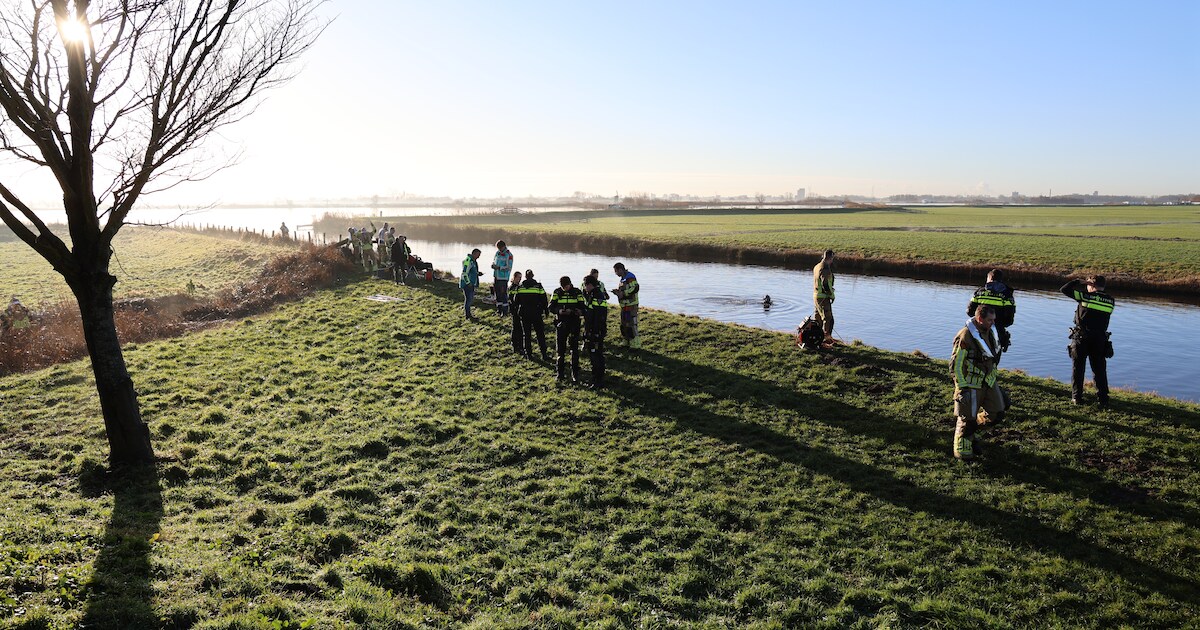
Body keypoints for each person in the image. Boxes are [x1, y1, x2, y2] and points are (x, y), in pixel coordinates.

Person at [950, 304, 1006, 460]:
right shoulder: (965, 335)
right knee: (967, 419)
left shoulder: (991, 331)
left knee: (997, 414)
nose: (993, 323)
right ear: (980, 318)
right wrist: (962, 388)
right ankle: (962, 446)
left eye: (994, 320)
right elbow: (956, 365)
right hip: (970, 383)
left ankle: (971, 431)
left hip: (988, 381)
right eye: (990, 320)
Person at [1061, 275, 1115, 407]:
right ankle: (1103, 399)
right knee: (1099, 369)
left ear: (1091, 284)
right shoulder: (1111, 301)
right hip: (1100, 339)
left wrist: (1078, 281)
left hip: (1081, 337)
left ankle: (1077, 397)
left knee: (1078, 368)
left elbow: (1064, 289)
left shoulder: (1086, 296)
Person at [968, 269, 1016, 354]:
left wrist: (981, 320)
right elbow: (1009, 319)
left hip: (978, 329)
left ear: (989, 278)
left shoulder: (979, 292)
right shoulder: (1007, 294)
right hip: (998, 332)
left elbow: (969, 312)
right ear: (1001, 280)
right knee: (994, 358)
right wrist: (998, 324)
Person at [550, 275, 586, 382]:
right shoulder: (557, 292)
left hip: (574, 322)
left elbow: (582, 307)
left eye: (566, 286)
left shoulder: (577, 292)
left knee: (574, 349)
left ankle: (575, 374)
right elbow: (551, 307)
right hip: (561, 323)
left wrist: (574, 311)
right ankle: (560, 374)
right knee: (560, 350)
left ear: (570, 284)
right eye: (563, 287)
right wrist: (559, 311)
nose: (564, 289)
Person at [513, 270, 550, 360]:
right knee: (540, 334)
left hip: (524, 313)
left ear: (525, 277)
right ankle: (544, 354)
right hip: (536, 313)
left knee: (527, 334)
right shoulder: (538, 286)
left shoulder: (520, 287)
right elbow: (544, 300)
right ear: (533, 276)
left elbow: (515, 300)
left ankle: (529, 354)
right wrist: (546, 311)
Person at [582, 275, 609, 388]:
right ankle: (595, 378)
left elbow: (599, 316)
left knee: (596, 355)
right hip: (593, 330)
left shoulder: (597, 296)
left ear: (589, 285)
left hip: (596, 331)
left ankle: (598, 380)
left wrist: (594, 332)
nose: (584, 287)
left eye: (585, 285)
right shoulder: (593, 295)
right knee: (594, 355)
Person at [612, 262, 640, 349]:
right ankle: (626, 341)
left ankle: (635, 345)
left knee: (631, 325)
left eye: (616, 271)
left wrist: (623, 293)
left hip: (631, 305)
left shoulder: (630, 277)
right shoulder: (623, 278)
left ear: (620, 269)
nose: (615, 273)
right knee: (624, 324)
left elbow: (635, 288)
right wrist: (617, 292)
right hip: (624, 306)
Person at [812, 249, 835, 342]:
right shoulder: (825, 268)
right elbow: (825, 283)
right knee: (828, 318)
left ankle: (816, 336)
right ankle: (827, 338)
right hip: (823, 297)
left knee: (818, 318)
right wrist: (830, 294)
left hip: (816, 295)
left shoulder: (817, 266)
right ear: (831, 258)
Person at [492, 240, 514, 317]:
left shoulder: (509, 255)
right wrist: (493, 265)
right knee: (497, 293)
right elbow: (495, 261)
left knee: (503, 294)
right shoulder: (497, 253)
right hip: (496, 276)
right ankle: (499, 310)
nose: (499, 249)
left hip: (503, 277)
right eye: (498, 248)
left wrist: (499, 267)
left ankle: (505, 312)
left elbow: (509, 267)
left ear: (504, 246)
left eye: (500, 248)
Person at [459, 248, 482, 320]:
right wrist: (468, 283)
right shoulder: (468, 260)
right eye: (478, 255)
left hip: (471, 283)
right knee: (468, 299)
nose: (479, 257)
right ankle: (468, 315)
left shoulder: (473, 261)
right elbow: (464, 272)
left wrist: (478, 273)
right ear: (474, 253)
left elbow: (472, 271)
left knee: (470, 299)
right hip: (467, 284)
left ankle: (468, 314)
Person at [508, 271, 524, 354]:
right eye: (519, 278)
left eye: (521, 278)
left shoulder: (519, 286)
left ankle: (517, 345)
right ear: (514, 277)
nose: (520, 279)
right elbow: (512, 300)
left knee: (518, 328)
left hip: (518, 310)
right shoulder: (513, 287)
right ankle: (516, 345)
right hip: (515, 310)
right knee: (516, 328)